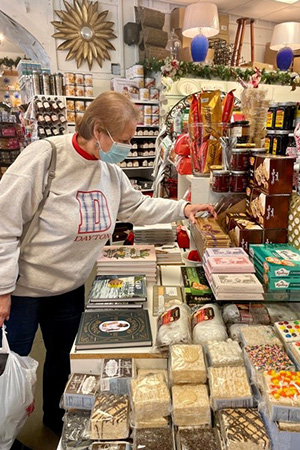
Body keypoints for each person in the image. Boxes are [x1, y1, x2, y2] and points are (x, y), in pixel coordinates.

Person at [0, 91, 216, 447]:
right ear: (99, 130)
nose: (128, 147)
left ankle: (58, 419)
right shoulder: (47, 156)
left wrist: (183, 210)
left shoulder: (109, 172)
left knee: (62, 361)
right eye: (125, 139)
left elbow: (139, 207)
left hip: (68, 288)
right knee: (10, 368)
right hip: (20, 291)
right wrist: (3, 289)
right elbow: (5, 222)